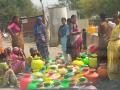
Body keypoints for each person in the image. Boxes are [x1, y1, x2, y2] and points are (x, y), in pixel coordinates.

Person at [107, 14, 120, 80]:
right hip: (112, 46)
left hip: (117, 46)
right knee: (112, 61)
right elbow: (109, 23)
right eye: (114, 19)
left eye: (115, 19)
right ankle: (113, 75)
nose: (114, 20)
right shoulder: (115, 25)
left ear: (118, 18)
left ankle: (117, 75)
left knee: (116, 61)